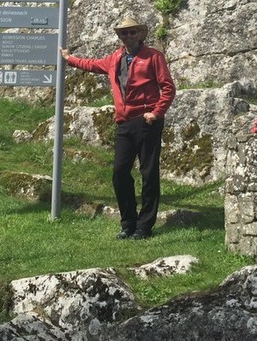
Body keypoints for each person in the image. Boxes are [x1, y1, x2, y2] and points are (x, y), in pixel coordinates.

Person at [60, 16, 175, 240]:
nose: (129, 36)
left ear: (140, 34)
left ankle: (144, 226)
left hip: (147, 120)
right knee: (120, 172)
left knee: (148, 173)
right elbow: (91, 65)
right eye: (124, 33)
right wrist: (69, 58)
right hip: (123, 122)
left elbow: (168, 88)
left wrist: (156, 112)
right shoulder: (114, 58)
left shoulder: (153, 57)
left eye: (132, 32)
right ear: (119, 36)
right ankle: (128, 222)